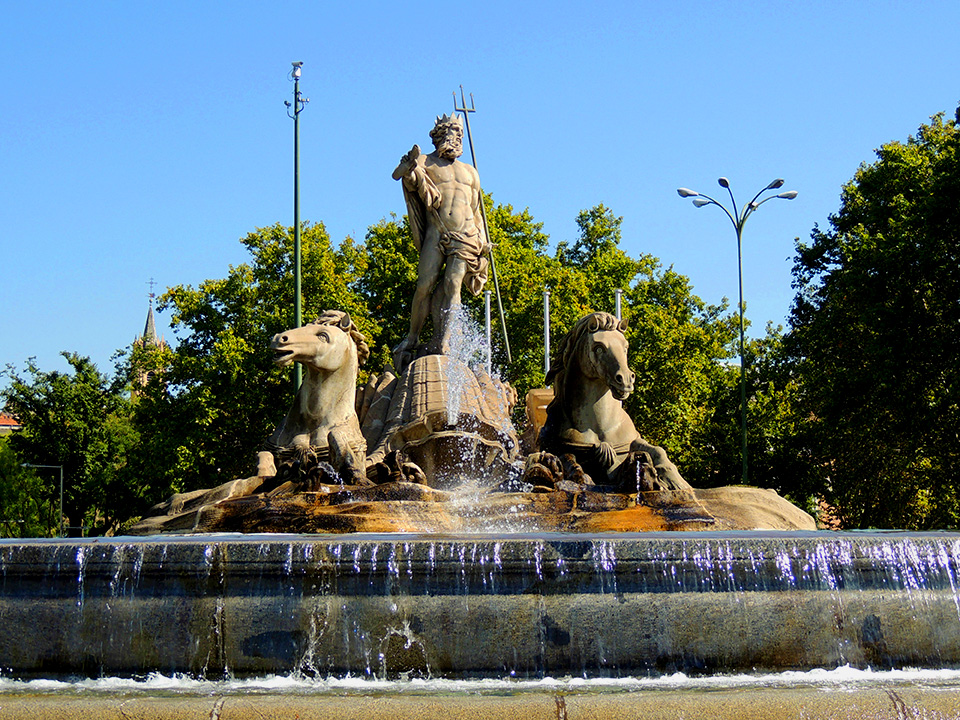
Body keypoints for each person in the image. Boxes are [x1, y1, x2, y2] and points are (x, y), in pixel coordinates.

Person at [391, 113, 489, 372]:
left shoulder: (470, 172)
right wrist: (408, 169)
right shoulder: (425, 161)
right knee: (424, 285)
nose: (457, 138)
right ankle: (413, 337)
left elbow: (476, 210)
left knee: (453, 284)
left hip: (466, 236)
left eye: (459, 134)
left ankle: (447, 341)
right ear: (439, 137)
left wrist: (483, 240)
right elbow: (409, 181)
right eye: (452, 133)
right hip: (437, 233)